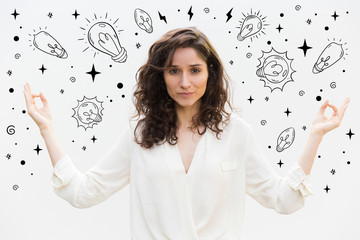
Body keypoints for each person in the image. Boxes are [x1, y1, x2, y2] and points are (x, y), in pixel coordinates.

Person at [23, 27, 350, 239]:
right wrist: (47, 128)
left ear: (210, 73)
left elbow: (284, 200)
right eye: (174, 71)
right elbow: (82, 193)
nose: (184, 83)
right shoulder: (139, 136)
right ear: (160, 77)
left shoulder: (236, 134)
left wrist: (315, 136)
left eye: (195, 70)